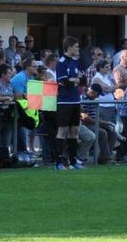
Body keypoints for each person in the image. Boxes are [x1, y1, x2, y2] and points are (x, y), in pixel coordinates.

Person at [54, 36, 83, 170]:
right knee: (62, 130)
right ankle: (59, 162)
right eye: (76, 46)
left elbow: (83, 80)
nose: (78, 49)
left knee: (74, 130)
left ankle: (73, 161)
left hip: (76, 100)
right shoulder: (61, 63)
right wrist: (75, 80)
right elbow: (64, 82)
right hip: (64, 101)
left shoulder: (76, 62)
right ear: (69, 47)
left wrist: (74, 80)